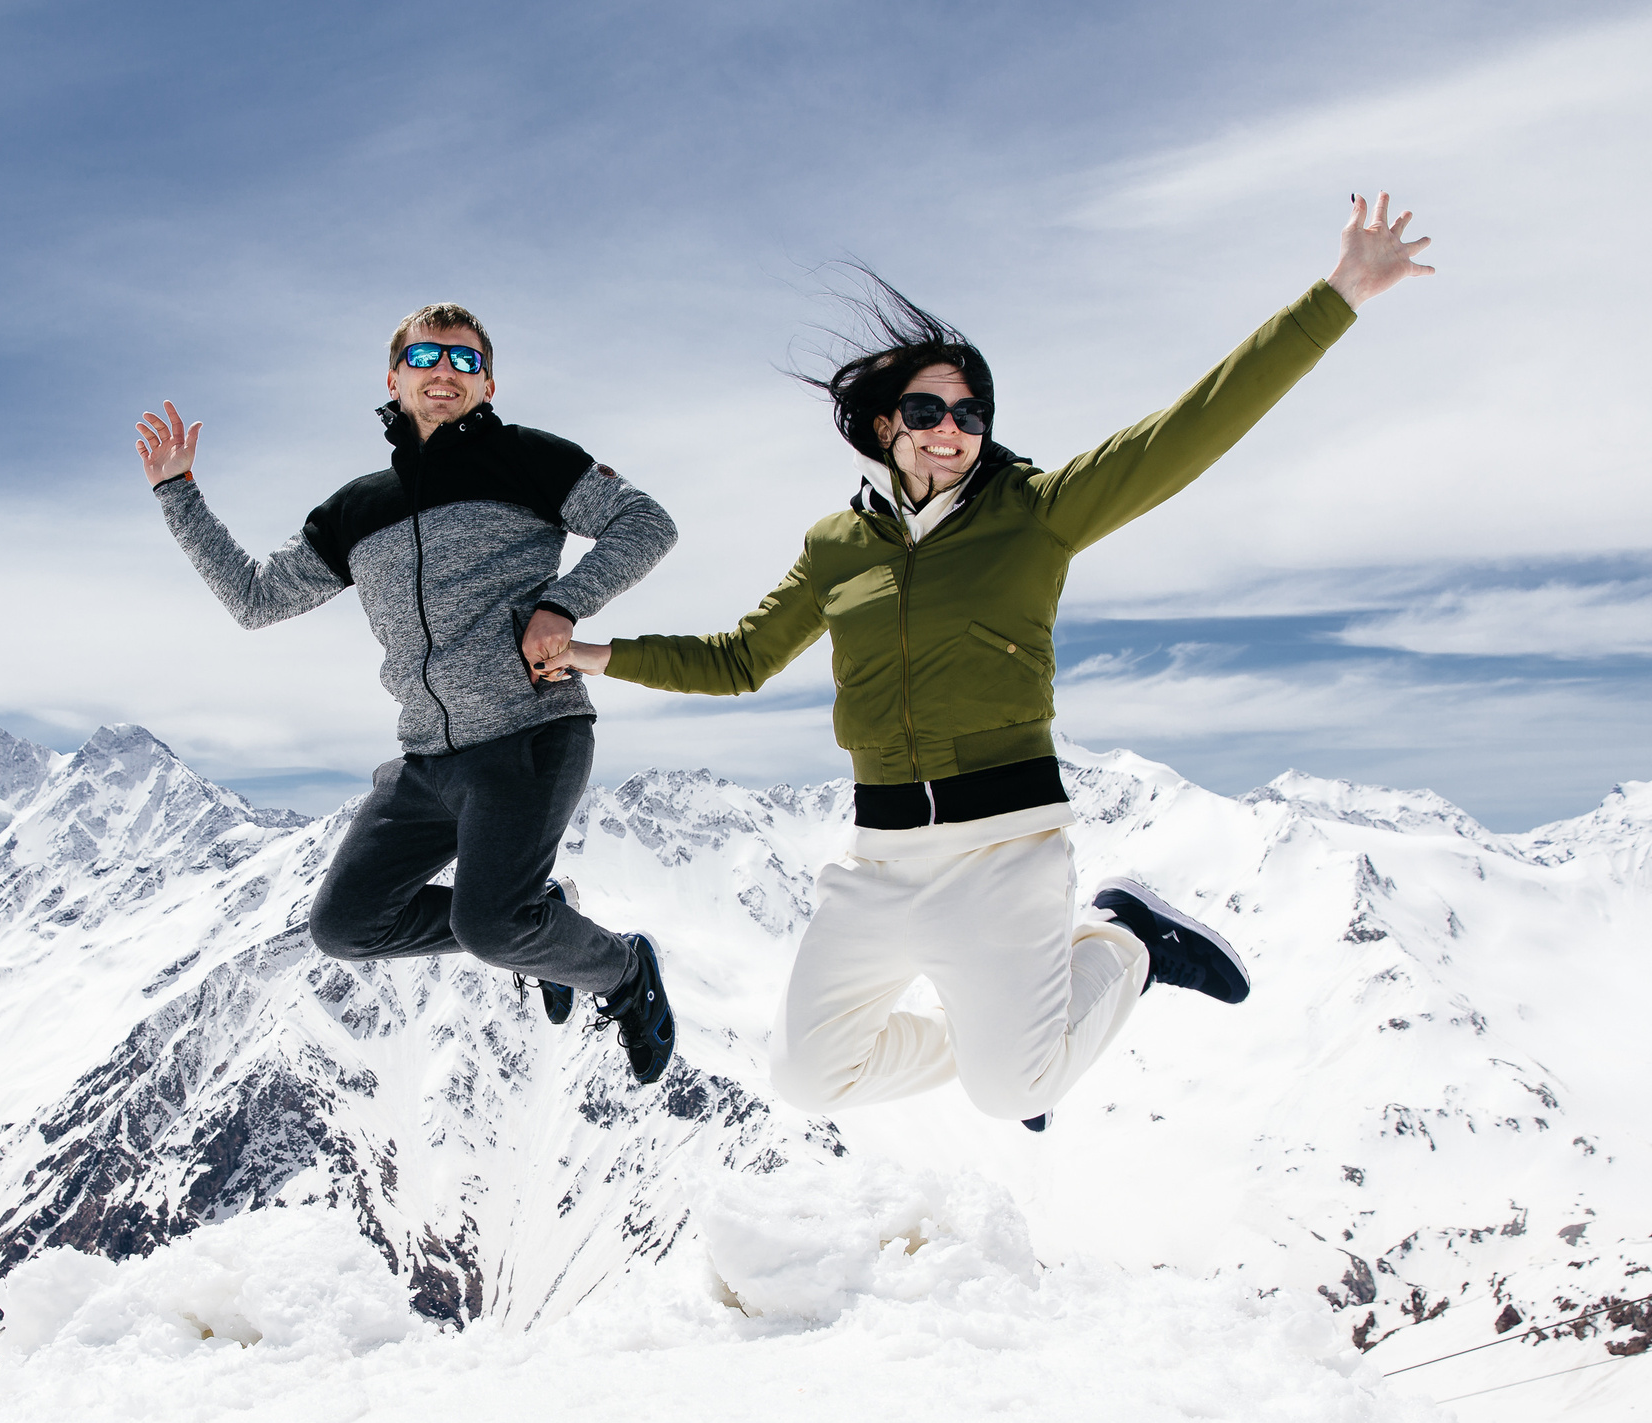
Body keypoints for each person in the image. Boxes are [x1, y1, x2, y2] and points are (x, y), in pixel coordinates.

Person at [548, 196, 1436, 1126]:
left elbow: (1186, 431)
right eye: (927, 407)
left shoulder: (1036, 512)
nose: (952, 426)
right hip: (879, 859)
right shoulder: (836, 545)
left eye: (971, 411)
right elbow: (739, 659)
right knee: (810, 1077)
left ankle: (1126, 938)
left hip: (1005, 851)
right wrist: (593, 654)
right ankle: (1013, 1037)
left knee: (1015, 1092)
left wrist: (1339, 294)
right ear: (884, 424)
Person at [135, 303, 682, 1085]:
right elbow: (254, 600)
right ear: (394, 379)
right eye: (426, 357)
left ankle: (623, 972)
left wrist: (563, 603)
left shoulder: (532, 460)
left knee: (492, 924)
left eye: (465, 360)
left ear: (488, 384)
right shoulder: (354, 510)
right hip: (426, 760)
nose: (444, 372)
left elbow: (645, 522)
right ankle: (537, 921)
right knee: (345, 926)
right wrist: (177, 492)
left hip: (529, 734)